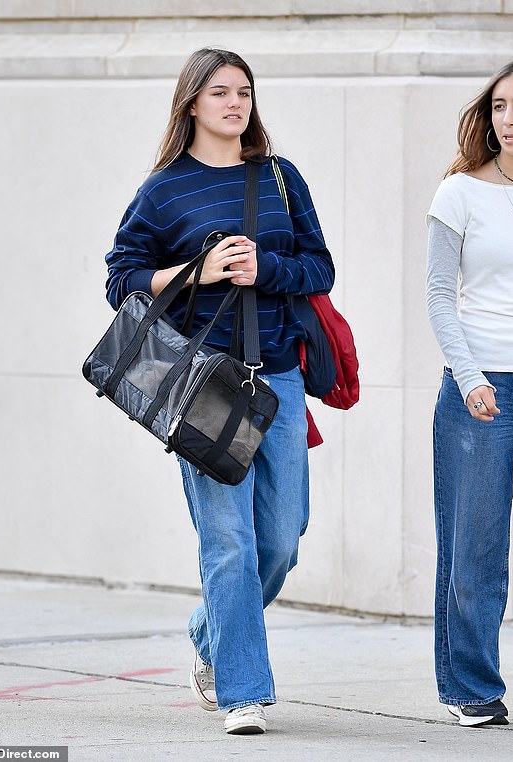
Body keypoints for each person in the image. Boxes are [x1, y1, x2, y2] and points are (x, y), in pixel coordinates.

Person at [104, 48, 334, 735]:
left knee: (282, 539)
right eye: (218, 93)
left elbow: (319, 267)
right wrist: (194, 271)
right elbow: (121, 278)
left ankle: (210, 633)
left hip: (281, 381)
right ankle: (242, 692)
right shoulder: (163, 191)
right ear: (191, 105)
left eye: (243, 92)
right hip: (203, 384)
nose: (234, 103)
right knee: (227, 542)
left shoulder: (281, 178)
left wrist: (266, 266)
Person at [426, 57, 513, 728]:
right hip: (478, 386)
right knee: (475, 546)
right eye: (500, 106)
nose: (509, 118)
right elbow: (439, 297)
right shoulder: (459, 193)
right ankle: (472, 688)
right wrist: (471, 377)